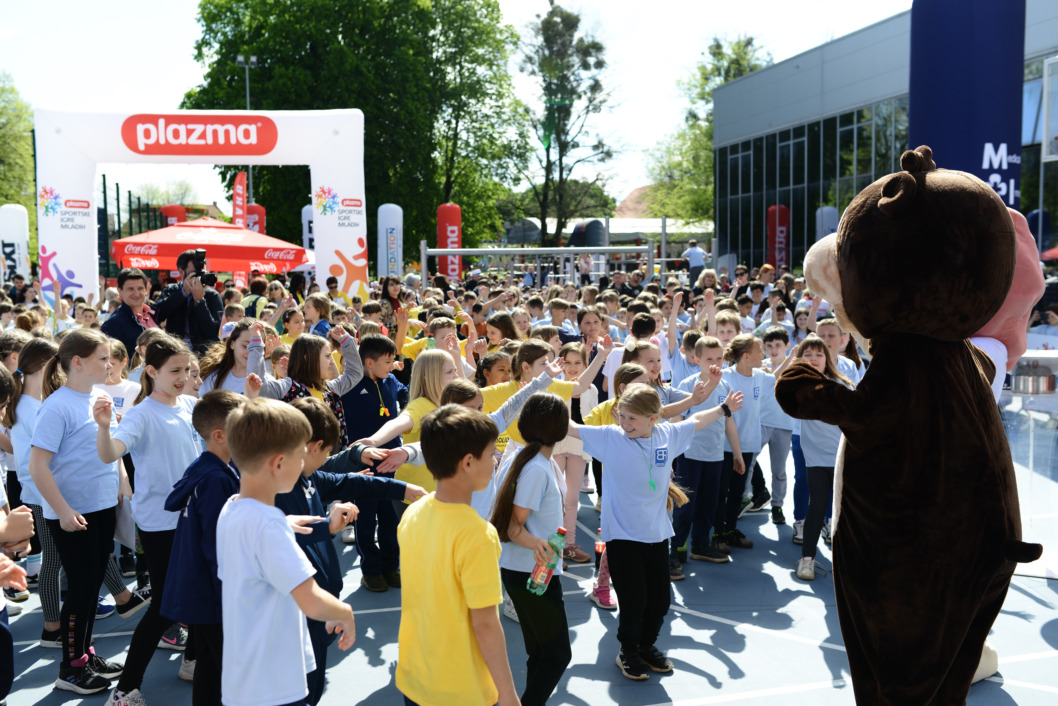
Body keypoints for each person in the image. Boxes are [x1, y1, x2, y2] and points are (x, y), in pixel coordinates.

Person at [566, 383, 742, 681]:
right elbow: (571, 428)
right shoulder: (611, 438)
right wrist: (541, 393)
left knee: (660, 602)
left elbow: (695, 420)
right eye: (622, 416)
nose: (625, 423)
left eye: (632, 418)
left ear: (653, 418)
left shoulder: (666, 435)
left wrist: (723, 409)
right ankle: (627, 652)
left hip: (657, 535)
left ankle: (646, 646)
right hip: (622, 537)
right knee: (633, 601)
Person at [276, 398, 426, 704]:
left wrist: (404, 490)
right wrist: (326, 527)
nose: (329, 458)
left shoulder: (309, 478)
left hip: (318, 614)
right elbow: (278, 543)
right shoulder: (278, 490)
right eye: (328, 451)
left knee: (313, 688)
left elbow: (351, 482)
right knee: (300, 691)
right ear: (314, 447)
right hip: (297, 618)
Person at [216, 399, 355, 706]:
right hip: (276, 684)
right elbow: (311, 599)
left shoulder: (231, 509)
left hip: (245, 676)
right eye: (300, 456)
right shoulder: (270, 526)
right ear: (279, 464)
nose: (304, 463)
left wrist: (281, 525)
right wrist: (344, 613)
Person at [95, 336, 200, 706]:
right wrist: (104, 427)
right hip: (161, 525)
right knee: (165, 606)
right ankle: (125, 689)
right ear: (151, 371)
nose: (183, 377)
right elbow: (110, 453)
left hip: (194, 519)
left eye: (187, 370)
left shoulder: (191, 405)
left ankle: (192, 660)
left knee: (200, 592)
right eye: (175, 371)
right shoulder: (141, 414)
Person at [395, 405, 519, 706]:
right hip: (461, 690)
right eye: (490, 454)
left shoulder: (413, 513)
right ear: (468, 462)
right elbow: (486, 625)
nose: (495, 460)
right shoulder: (478, 535)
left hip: (415, 677)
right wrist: (508, 694)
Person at [29, 329, 130, 694]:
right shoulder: (57, 406)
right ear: (78, 363)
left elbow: (108, 449)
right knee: (82, 590)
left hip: (101, 508)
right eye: (103, 359)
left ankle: (84, 655)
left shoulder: (99, 396)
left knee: (90, 588)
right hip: (74, 514)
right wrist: (63, 510)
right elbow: (37, 465)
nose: (110, 365)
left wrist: (121, 483)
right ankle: (70, 669)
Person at [162, 390, 244, 706]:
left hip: (200, 590)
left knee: (209, 667)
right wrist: (232, 594)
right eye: (243, 426)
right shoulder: (216, 479)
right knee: (233, 672)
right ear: (220, 435)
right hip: (213, 594)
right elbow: (217, 545)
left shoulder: (204, 467)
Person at [490, 393, 572, 706]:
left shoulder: (525, 458)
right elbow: (513, 527)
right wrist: (540, 544)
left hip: (524, 570)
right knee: (557, 655)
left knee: (540, 652)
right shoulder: (536, 468)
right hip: (533, 573)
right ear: (560, 430)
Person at [340, 334, 409, 589]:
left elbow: (407, 395)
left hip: (391, 461)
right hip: (364, 464)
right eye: (387, 361)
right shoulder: (351, 384)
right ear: (369, 362)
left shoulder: (391, 380)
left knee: (390, 517)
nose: (392, 366)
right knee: (366, 518)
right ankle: (371, 570)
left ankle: (391, 566)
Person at [671, 338, 743, 569]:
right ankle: (675, 548)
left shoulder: (725, 386)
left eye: (719, 358)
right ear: (697, 359)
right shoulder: (687, 385)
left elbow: (729, 422)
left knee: (708, 504)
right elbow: (676, 421)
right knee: (685, 505)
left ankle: (700, 545)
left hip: (715, 456)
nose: (715, 363)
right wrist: (671, 456)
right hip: (689, 455)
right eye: (709, 359)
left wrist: (737, 454)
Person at [791, 336, 853, 581]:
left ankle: (845, 560)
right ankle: (807, 560)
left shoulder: (841, 384)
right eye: (808, 355)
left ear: (827, 359)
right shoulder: (796, 386)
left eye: (819, 354)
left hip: (841, 457)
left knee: (843, 511)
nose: (814, 359)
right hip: (815, 458)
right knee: (816, 507)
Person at [153, 250, 224, 355]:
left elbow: (212, 332)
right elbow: (157, 315)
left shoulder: (212, 295)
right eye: (194, 274)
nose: (198, 277)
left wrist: (200, 301)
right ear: (181, 271)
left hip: (205, 357)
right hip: (176, 353)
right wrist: (182, 293)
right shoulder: (171, 290)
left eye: (202, 273)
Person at [101, 268, 158, 367]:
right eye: (130, 289)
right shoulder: (112, 325)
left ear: (146, 290)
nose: (136, 293)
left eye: (140, 288)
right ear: (120, 291)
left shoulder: (154, 314)